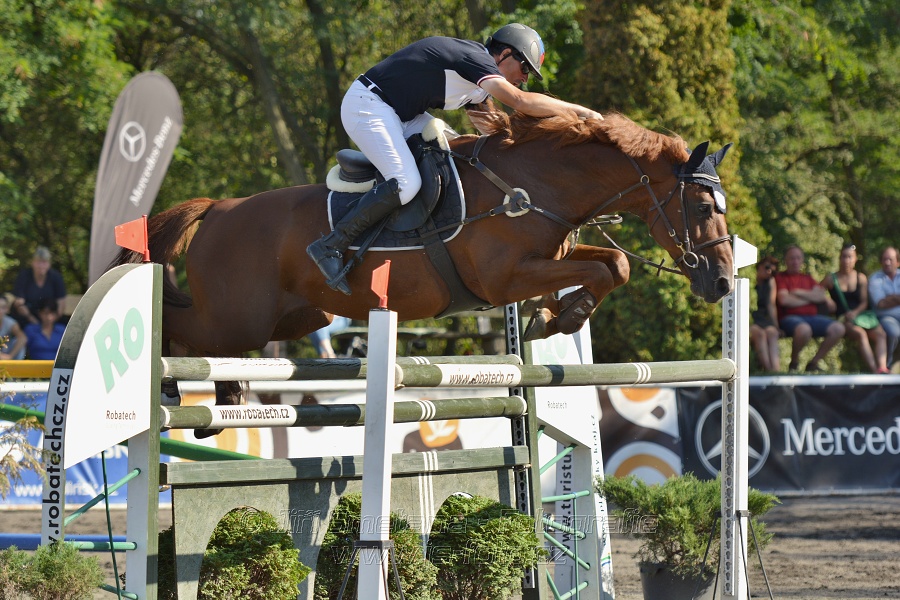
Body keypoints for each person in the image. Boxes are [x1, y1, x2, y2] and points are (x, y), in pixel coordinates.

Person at [307, 23, 604, 295]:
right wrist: (582, 113)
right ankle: (331, 246)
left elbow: (493, 132)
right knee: (406, 183)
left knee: (456, 151)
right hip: (367, 106)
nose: (525, 78)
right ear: (504, 54)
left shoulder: (479, 81)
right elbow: (519, 101)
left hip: (401, 115)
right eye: (525, 67)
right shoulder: (473, 57)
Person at [774, 245, 845, 372]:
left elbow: (821, 296)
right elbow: (784, 300)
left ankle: (813, 363)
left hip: (813, 318)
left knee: (838, 328)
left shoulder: (808, 279)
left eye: (798, 258)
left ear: (802, 260)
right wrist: (811, 297)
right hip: (789, 319)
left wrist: (797, 292)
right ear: (786, 260)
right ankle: (794, 363)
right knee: (804, 330)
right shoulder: (780, 278)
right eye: (791, 258)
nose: (795, 261)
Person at [821, 244, 889, 373]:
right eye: (844, 257)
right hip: (843, 320)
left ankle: (882, 367)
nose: (846, 260)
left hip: (861, 317)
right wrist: (827, 300)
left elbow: (864, 302)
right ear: (839, 258)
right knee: (860, 334)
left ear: (855, 259)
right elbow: (817, 292)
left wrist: (855, 312)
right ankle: (875, 371)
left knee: (881, 334)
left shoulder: (861, 278)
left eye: (850, 257)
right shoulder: (831, 279)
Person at [12, 246, 67, 328]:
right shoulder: (24, 276)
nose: (41, 266)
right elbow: (20, 304)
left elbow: (61, 304)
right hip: (28, 319)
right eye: (38, 262)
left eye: (44, 262)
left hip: (51, 319)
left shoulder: (56, 277)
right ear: (32, 263)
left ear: (49, 264)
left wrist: (49, 322)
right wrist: (34, 322)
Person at [868, 246, 900, 368]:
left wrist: (891, 297)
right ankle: (887, 367)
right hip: (887, 317)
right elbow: (881, 303)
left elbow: (886, 301)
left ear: (898, 262)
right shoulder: (875, 279)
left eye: (890, 259)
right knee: (892, 332)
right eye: (885, 259)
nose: (887, 262)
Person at [750, 257, 781, 371]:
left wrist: (776, 326)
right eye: (767, 267)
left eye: (772, 271)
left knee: (772, 333)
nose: (769, 272)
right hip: (751, 319)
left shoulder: (770, 282)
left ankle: (776, 372)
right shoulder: (749, 279)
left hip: (764, 319)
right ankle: (768, 371)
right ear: (760, 265)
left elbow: (771, 305)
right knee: (760, 334)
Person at [0, 294, 28, 359]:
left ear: (7, 310)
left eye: (3, 307)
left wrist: (10, 356)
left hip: (6, 355)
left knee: (18, 342)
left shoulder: (10, 323)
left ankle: (17, 366)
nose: (0, 311)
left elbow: (23, 338)